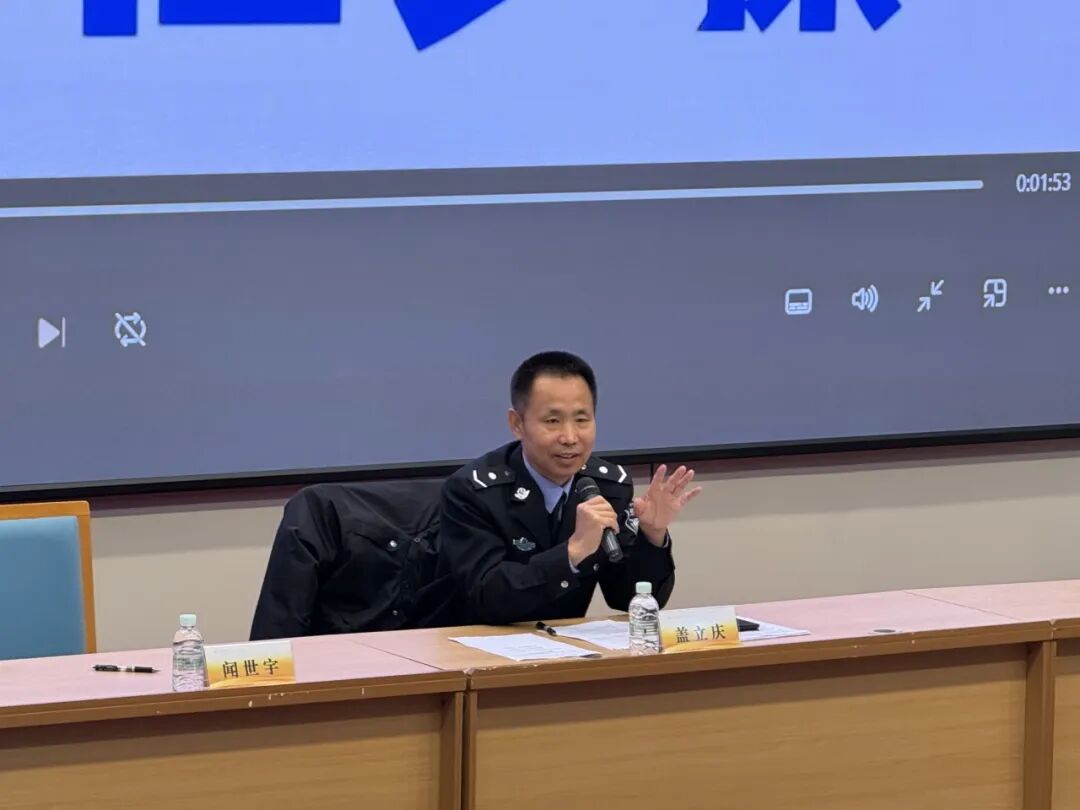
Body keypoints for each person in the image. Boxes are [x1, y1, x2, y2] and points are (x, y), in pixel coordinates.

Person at [437, 351, 701, 625]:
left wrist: (652, 536)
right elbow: (486, 597)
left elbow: (627, 598)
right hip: (469, 643)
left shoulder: (607, 486)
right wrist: (573, 551)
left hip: (564, 644)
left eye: (582, 420)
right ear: (517, 424)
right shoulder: (473, 491)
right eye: (552, 421)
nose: (570, 437)